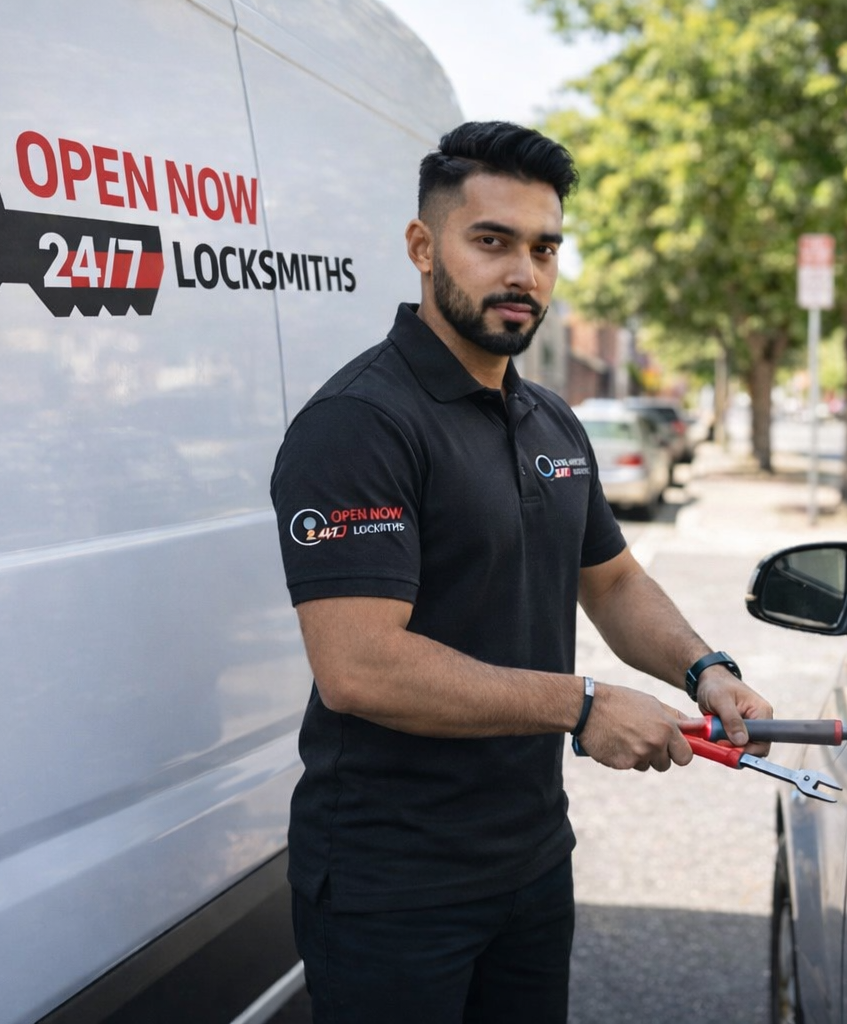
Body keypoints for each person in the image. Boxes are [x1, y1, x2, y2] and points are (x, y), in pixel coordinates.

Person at [269, 121, 773, 1023]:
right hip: (394, 885)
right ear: (423, 248)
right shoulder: (359, 424)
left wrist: (707, 672)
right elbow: (358, 666)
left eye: (545, 249)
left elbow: (613, 581)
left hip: (532, 860)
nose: (524, 274)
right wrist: (581, 705)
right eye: (491, 241)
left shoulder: (550, 419)